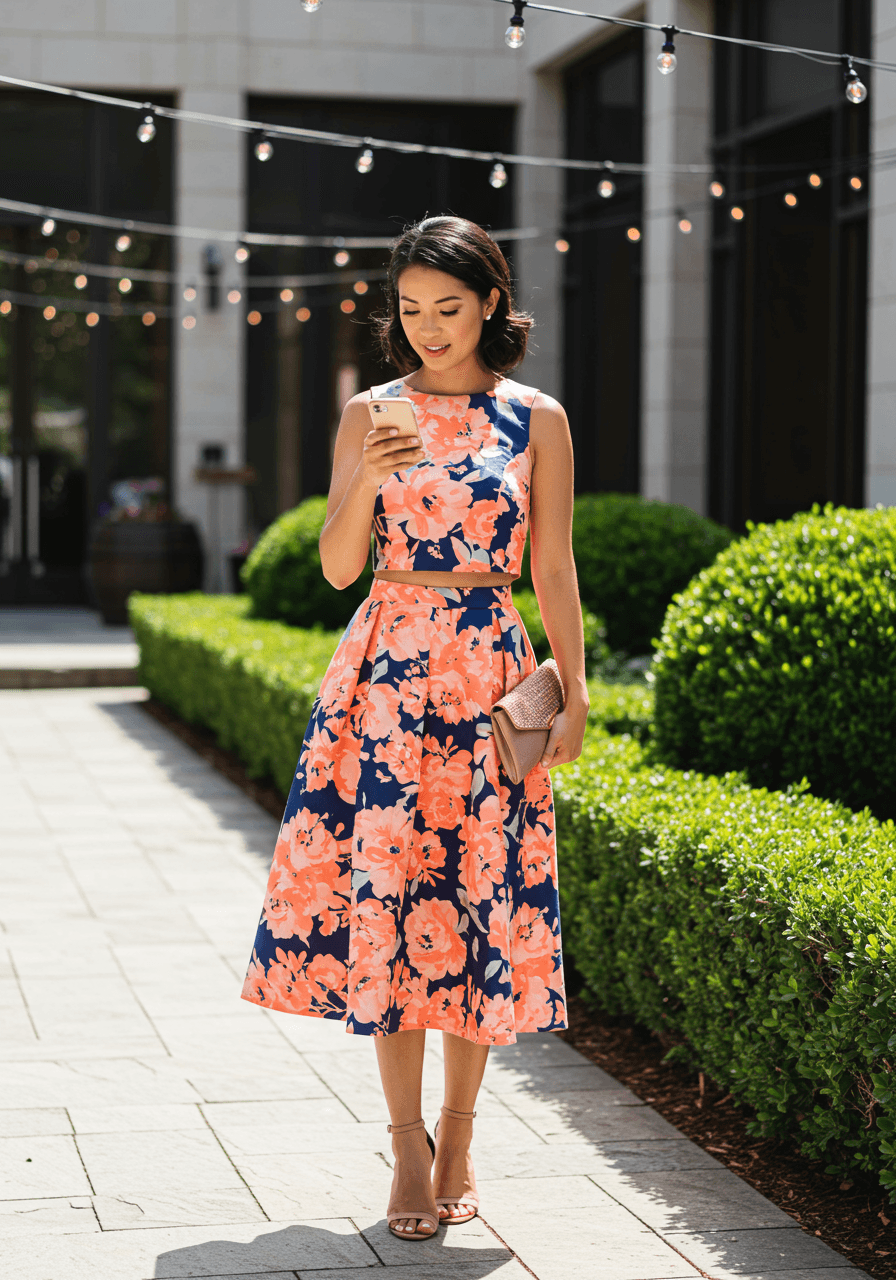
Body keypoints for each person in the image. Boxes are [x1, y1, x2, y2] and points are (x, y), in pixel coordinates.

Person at [241, 214, 589, 1240]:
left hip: (488, 672)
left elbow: (553, 564)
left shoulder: (538, 419)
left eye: (448, 307)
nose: (428, 327)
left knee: (476, 902)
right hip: (385, 678)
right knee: (389, 906)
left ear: (491, 303)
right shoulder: (368, 411)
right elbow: (337, 566)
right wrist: (368, 472)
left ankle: (460, 1141)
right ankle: (405, 1148)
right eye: (410, 309)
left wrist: (573, 690)